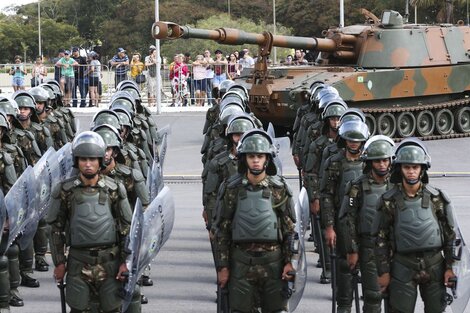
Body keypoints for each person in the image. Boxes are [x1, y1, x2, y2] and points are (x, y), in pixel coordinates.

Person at [47, 131, 132, 313]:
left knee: (112, 309)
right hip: (78, 263)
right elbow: (55, 230)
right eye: (83, 159)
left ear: (100, 160)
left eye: (92, 159)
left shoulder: (114, 189)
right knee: (78, 309)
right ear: (76, 161)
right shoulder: (65, 190)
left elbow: (127, 228)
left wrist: (126, 262)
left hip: (110, 262)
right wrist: (60, 263)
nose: (88, 164)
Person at [214, 129, 296, 313]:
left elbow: (290, 230)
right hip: (241, 264)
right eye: (251, 156)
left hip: (273, 265)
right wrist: (223, 266)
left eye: (260, 156)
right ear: (244, 158)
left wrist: (290, 262)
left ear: (267, 159)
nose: (256, 160)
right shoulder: (231, 189)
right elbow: (222, 231)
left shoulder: (279, 188)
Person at [372, 138, 456, 313]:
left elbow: (450, 235)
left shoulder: (437, 198)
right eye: (407, 167)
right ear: (400, 169)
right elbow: (380, 239)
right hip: (403, 265)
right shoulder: (389, 201)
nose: (411, 172)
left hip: (434, 265)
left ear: (422, 169)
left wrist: (450, 267)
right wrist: (384, 272)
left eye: (415, 167)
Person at [339, 135, 395, 313]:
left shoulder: (397, 186)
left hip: (394, 249)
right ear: (370, 162)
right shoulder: (357, 186)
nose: (382, 165)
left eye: (385, 160)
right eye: (377, 161)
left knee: (397, 298)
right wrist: (352, 250)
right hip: (369, 247)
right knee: (373, 296)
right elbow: (348, 219)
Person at [321, 120, 369, 313]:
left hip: (366, 224)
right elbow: (327, 196)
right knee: (344, 268)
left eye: (357, 140)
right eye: (350, 140)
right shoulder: (334, 162)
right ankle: (344, 305)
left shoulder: (371, 162)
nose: (354, 144)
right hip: (343, 222)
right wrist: (329, 226)